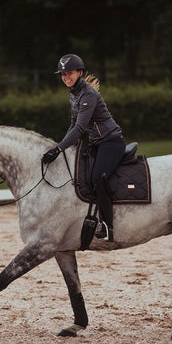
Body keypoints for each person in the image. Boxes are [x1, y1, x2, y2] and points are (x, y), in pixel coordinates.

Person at [41, 54, 126, 241]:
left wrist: (58, 150)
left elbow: (80, 128)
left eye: (69, 73)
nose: (66, 77)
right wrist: (59, 146)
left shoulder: (88, 93)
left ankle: (108, 226)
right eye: (62, 74)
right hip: (96, 143)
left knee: (97, 178)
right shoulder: (74, 95)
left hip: (111, 142)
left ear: (79, 72)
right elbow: (73, 126)